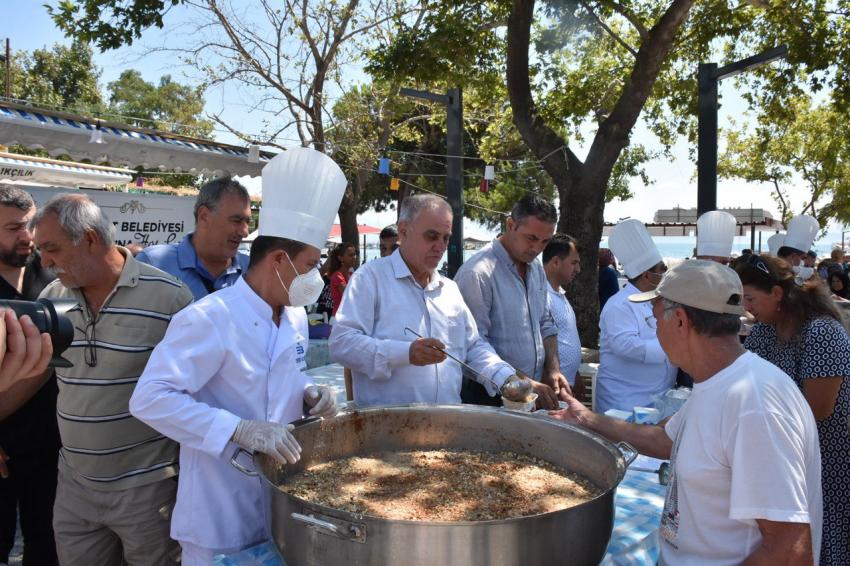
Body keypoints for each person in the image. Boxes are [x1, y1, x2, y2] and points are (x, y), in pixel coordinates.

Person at [129, 147, 342, 565]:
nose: (316, 277)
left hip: (279, 504)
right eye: (311, 264)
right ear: (279, 260)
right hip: (218, 512)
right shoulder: (210, 318)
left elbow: (280, 380)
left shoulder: (294, 317)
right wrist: (237, 429)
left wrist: (310, 394)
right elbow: (150, 399)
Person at [551, 260, 823, 565]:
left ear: (680, 321)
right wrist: (585, 419)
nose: (656, 330)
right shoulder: (719, 383)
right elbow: (665, 439)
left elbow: (791, 550)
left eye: (656, 321)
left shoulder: (754, 404)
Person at [32, 194, 194, 566]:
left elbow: (198, 387)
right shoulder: (51, 297)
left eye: (52, 248)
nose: (44, 261)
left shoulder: (169, 298)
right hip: (75, 487)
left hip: (148, 491)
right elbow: (35, 376)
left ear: (89, 239)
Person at [330, 194, 539, 407]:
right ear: (403, 231)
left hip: (446, 426)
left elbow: (473, 346)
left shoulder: (449, 289)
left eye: (446, 238)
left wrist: (505, 378)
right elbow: (342, 343)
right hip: (388, 428)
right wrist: (405, 353)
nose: (440, 246)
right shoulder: (369, 278)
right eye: (432, 236)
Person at [736, 254, 850, 565]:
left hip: (826, 454)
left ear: (776, 294)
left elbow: (819, 409)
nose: (747, 307)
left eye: (751, 298)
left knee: (824, 535)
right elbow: (743, 380)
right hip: (782, 454)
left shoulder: (822, 333)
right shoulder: (764, 332)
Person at [455, 195, 568, 409]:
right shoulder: (477, 273)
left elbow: (545, 322)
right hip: (489, 396)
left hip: (531, 393)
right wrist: (520, 382)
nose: (537, 249)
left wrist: (553, 369)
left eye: (545, 242)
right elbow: (472, 346)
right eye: (531, 238)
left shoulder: (536, 269)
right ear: (510, 225)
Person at [0, 185, 60, 566]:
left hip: (54, 447)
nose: (27, 236)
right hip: (4, 450)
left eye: (30, 225)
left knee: (49, 545)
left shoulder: (53, 274)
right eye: (12, 228)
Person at [596, 219, 676, 414]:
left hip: (656, 399)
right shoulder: (620, 305)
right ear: (647, 276)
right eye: (661, 270)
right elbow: (625, 345)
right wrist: (673, 348)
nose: (665, 273)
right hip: (624, 403)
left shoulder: (658, 299)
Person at [136, 177, 251, 300]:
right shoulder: (153, 264)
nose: (245, 232)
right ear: (204, 216)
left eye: (248, 222)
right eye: (236, 220)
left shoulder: (253, 269)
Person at [542, 234, 585, 401]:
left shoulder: (560, 295)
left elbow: (564, 337)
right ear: (555, 262)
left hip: (566, 384)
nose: (578, 269)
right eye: (574, 263)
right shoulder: (542, 296)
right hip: (555, 389)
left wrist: (576, 373)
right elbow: (541, 341)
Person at [326, 242, 357, 316]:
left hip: (348, 316)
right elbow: (349, 297)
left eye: (355, 254)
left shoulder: (351, 273)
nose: (354, 257)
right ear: (340, 258)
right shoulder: (337, 276)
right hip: (339, 318)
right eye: (351, 255)